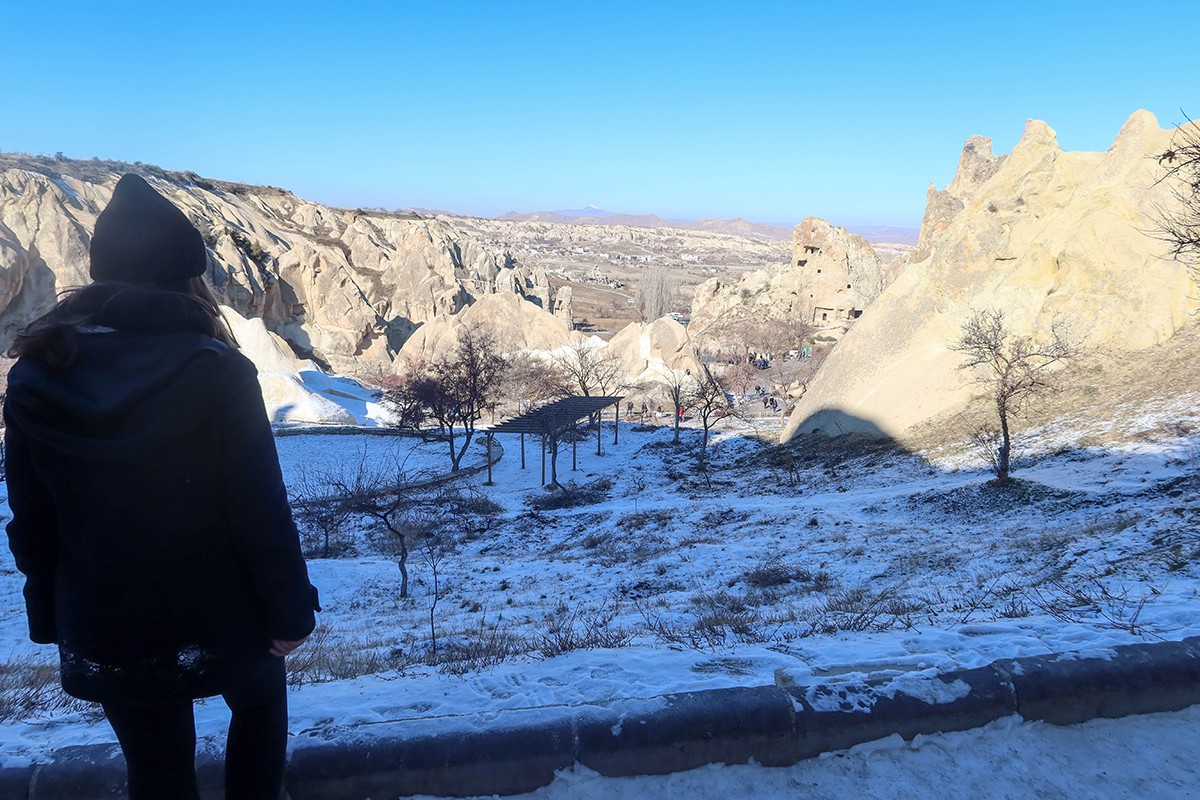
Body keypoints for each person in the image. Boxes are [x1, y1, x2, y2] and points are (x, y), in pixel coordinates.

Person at [3, 174, 319, 800]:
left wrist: (52, 615)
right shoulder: (215, 367)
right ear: (187, 277)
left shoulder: (37, 371)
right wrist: (288, 612)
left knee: (156, 770)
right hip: (221, 611)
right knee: (259, 711)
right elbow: (259, 509)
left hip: (106, 618)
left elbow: (31, 518)